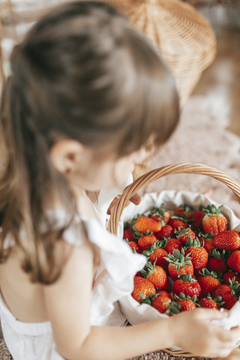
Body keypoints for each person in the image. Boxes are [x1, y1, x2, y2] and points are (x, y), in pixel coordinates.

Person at [0, 2, 239, 360]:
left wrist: (107, 194)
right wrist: (172, 330)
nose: (141, 158)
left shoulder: (34, 164)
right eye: (129, 152)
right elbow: (78, 346)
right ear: (69, 157)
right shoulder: (67, 247)